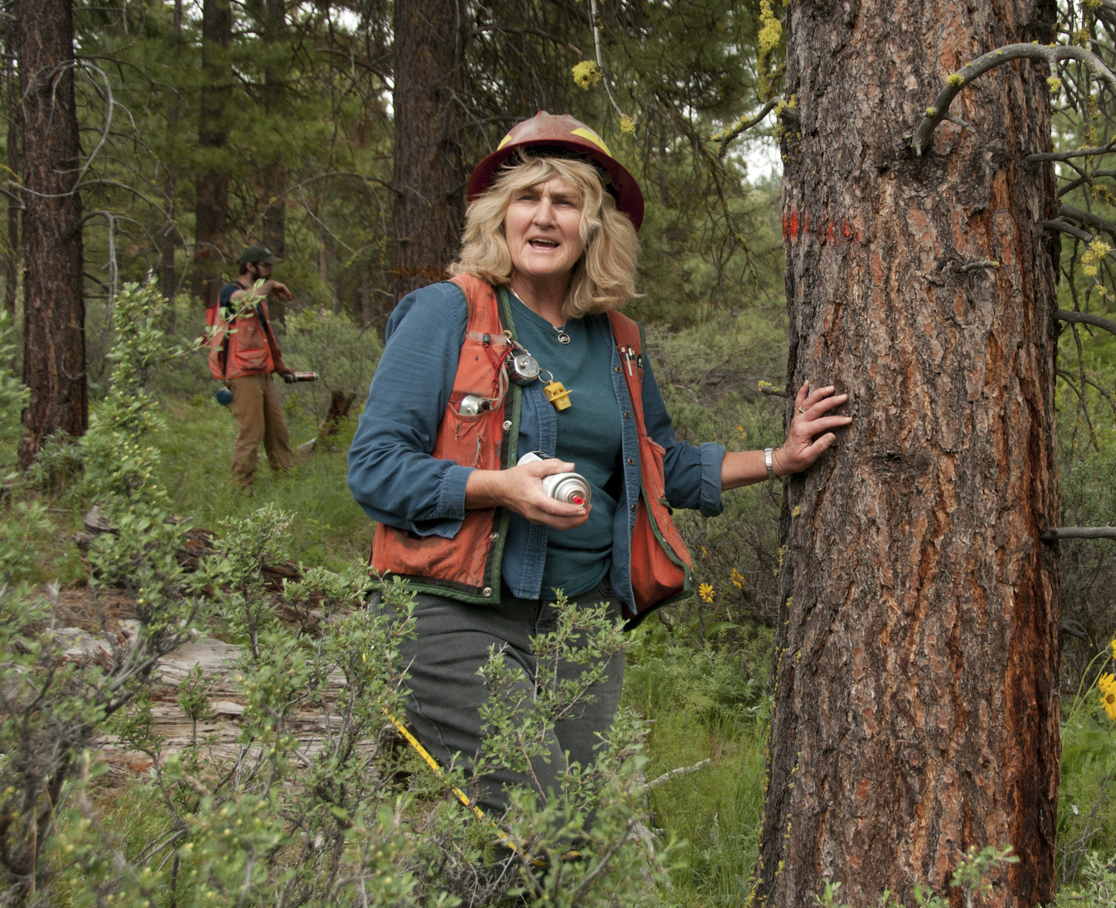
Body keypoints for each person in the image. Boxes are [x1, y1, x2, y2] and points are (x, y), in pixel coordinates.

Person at [346, 112, 850, 811]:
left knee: (569, 833)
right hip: (455, 611)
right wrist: (500, 488)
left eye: (566, 200)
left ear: (594, 224)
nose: (544, 216)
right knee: (537, 824)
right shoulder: (447, 312)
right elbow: (373, 468)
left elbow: (659, 465)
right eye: (527, 197)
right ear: (499, 214)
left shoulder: (617, 339)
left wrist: (779, 455)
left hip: (581, 625)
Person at [219, 244, 296, 487]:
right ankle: (241, 491)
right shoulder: (230, 291)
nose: (271, 270)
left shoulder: (258, 296)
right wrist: (271, 286)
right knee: (250, 434)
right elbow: (245, 303)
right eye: (266, 265)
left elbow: (260, 338)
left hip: (264, 373)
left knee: (277, 433)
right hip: (241, 374)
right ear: (250, 266)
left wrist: (279, 367)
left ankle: (287, 485)